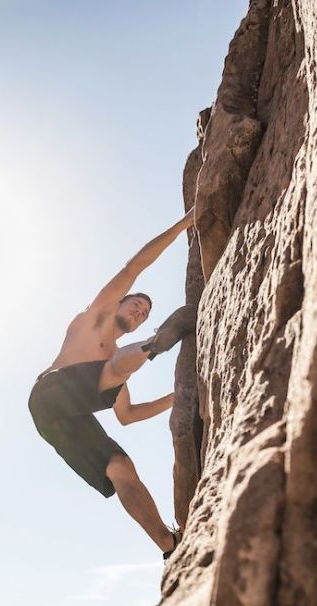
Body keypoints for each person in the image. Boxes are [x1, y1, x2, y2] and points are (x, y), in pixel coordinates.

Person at [28, 209, 197, 559]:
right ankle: (158, 343)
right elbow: (133, 267)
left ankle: (169, 546)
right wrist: (184, 224)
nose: (138, 312)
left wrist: (178, 396)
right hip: (50, 391)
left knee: (120, 466)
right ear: (118, 302)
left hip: (61, 422)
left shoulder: (116, 361)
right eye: (136, 304)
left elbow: (128, 415)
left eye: (144, 315)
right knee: (117, 369)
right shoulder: (94, 319)